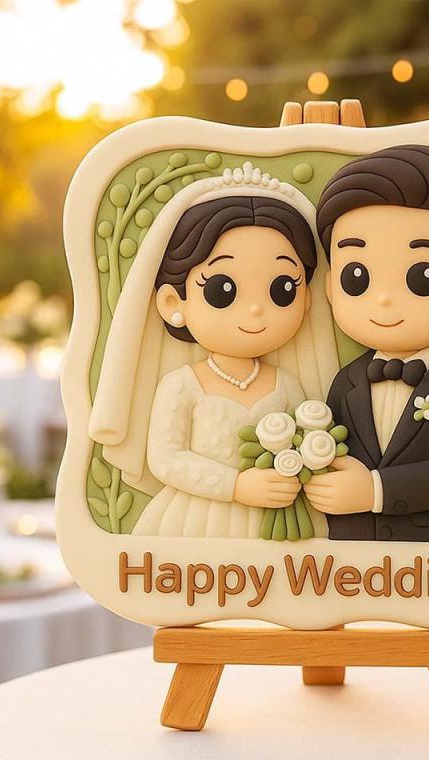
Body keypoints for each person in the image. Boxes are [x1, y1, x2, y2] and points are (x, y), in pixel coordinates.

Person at [89, 163, 339, 537]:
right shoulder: (181, 385)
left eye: (282, 290)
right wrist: (235, 486)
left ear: (305, 301)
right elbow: (166, 458)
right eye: (222, 290)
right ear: (173, 302)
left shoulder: (286, 385)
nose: (254, 310)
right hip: (196, 523)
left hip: (278, 525)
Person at [305, 145, 429, 543]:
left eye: (423, 277)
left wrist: (375, 491)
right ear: (331, 288)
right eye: (356, 277)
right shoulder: (347, 382)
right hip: (349, 558)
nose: (383, 299)